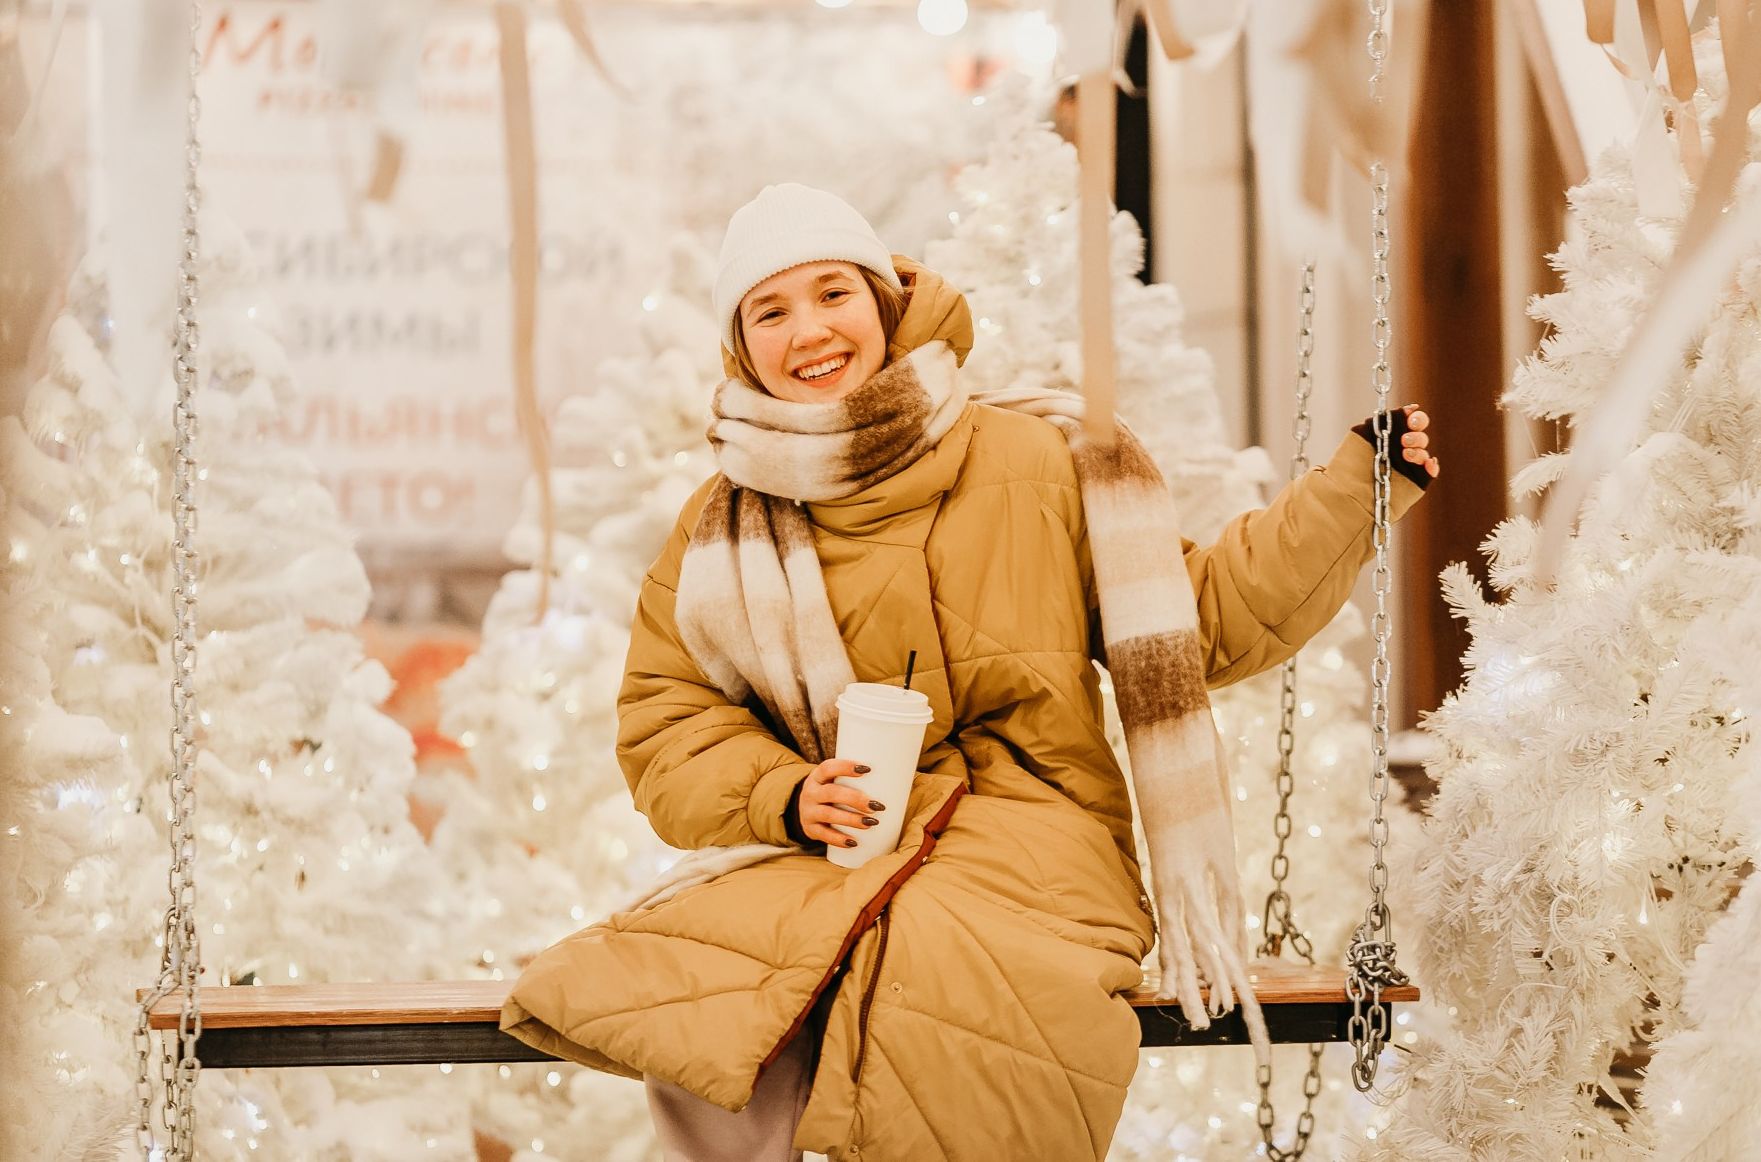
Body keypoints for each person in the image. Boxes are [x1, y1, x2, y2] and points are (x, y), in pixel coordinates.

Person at [501, 183, 1438, 1162]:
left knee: (963, 990)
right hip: (843, 842)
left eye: (832, 294)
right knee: (698, 992)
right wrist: (786, 793)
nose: (809, 330)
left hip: (1040, 837)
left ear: (883, 303)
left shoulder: (1035, 459)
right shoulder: (724, 521)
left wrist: (1346, 495)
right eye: (769, 311)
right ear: (741, 347)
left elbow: (1194, 619)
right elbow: (666, 721)